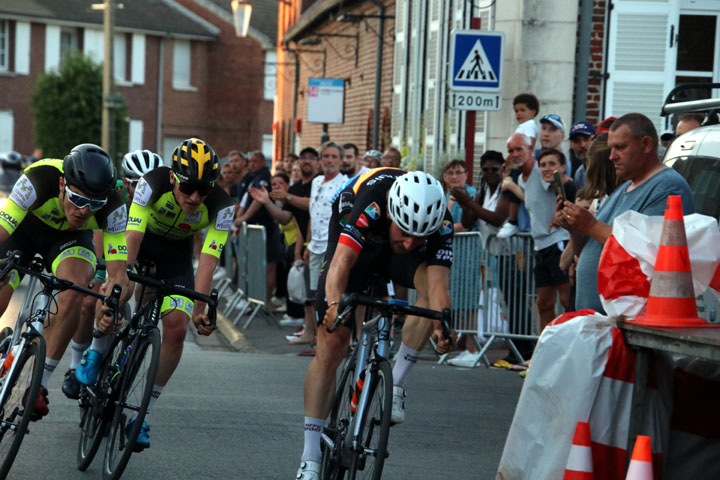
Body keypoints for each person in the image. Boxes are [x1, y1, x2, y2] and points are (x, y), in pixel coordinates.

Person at [295, 169, 453, 479]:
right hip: (355, 240)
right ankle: (310, 457)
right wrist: (336, 306)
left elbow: (438, 285)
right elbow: (341, 263)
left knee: (429, 298)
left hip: (390, 255)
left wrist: (441, 325)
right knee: (332, 345)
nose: (409, 243)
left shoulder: (441, 221)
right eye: (404, 232)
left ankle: (397, 381)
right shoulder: (372, 202)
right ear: (393, 214)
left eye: (418, 237)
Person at [76, 138, 234, 449]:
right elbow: (132, 235)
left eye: (203, 190)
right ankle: (96, 350)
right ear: (174, 177)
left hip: (175, 260)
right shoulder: (152, 183)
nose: (194, 197)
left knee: (176, 328)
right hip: (142, 241)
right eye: (188, 187)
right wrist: (120, 278)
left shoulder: (222, 206)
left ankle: (142, 415)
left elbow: (208, 260)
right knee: (120, 290)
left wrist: (200, 309)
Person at [0, 144, 132, 419]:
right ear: (62, 183)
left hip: (68, 241)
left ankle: (39, 384)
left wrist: (111, 307)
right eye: (77, 199)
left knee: (75, 290)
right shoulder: (39, 177)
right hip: (23, 231)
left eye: (93, 205)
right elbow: (3, 228)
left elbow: (120, 274)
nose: (84, 211)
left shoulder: (115, 205)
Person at [558, 113, 695, 313]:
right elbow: (591, 251)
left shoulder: (668, 187)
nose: (612, 156)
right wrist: (575, 227)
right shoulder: (625, 188)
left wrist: (589, 225)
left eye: (620, 147)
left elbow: (646, 252)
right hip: (603, 324)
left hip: (633, 327)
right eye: (611, 148)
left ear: (646, 144)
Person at [62, 149, 164, 400]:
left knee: (138, 292)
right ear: (126, 183)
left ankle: (135, 339)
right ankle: (77, 364)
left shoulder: (161, 197)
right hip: (111, 245)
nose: (143, 189)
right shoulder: (113, 193)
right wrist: (99, 271)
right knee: (89, 302)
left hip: (141, 249)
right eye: (136, 183)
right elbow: (100, 234)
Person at [449, 150, 506, 367]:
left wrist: (470, 203)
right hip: (488, 252)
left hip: (505, 254)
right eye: (486, 170)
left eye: (494, 169)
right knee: (472, 300)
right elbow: (469, 220)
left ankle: (509, 352)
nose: (490, 173)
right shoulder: (482, 191)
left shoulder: (505, 190)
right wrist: (466, 203)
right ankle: (471, 348)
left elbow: (498, 218)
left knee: (504, 306)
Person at [296, 143, 347, 347]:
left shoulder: (345, 183)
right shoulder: (316, 181)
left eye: (334, 156)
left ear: (341, 160)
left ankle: (327, 338)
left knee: (328, 292)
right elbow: (312, 213)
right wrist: (308, 243)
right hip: (315, 244)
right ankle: (314, 334)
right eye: (325, 156)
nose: (329, 160)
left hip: (332, 244)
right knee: (313, 293)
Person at [236, 151, 286, 308]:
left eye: (255, 161)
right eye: (249, 161)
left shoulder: (264, 177)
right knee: (256, 266)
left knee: (269, 267)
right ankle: (257, 299)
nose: (251, 164)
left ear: (264, 162)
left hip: (267, 229)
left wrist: (244, 218)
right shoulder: (254, 177)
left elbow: (258, 200)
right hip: (256, 229)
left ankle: (267, 301)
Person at [440, 159, 476, 233]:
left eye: (458, 172)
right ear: (444, 176)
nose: (454, 177)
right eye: (450, 173)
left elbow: (463, 227)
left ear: (466, 175)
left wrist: (437, 231)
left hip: (466, 242)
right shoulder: (446, 195)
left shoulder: (471, 193)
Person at [568, 120, 596, 187]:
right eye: (577, 141)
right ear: (571, 145)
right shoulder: (579, 174)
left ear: (594, 140)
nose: (582, 145)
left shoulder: (606, 167)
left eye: (586, 139)